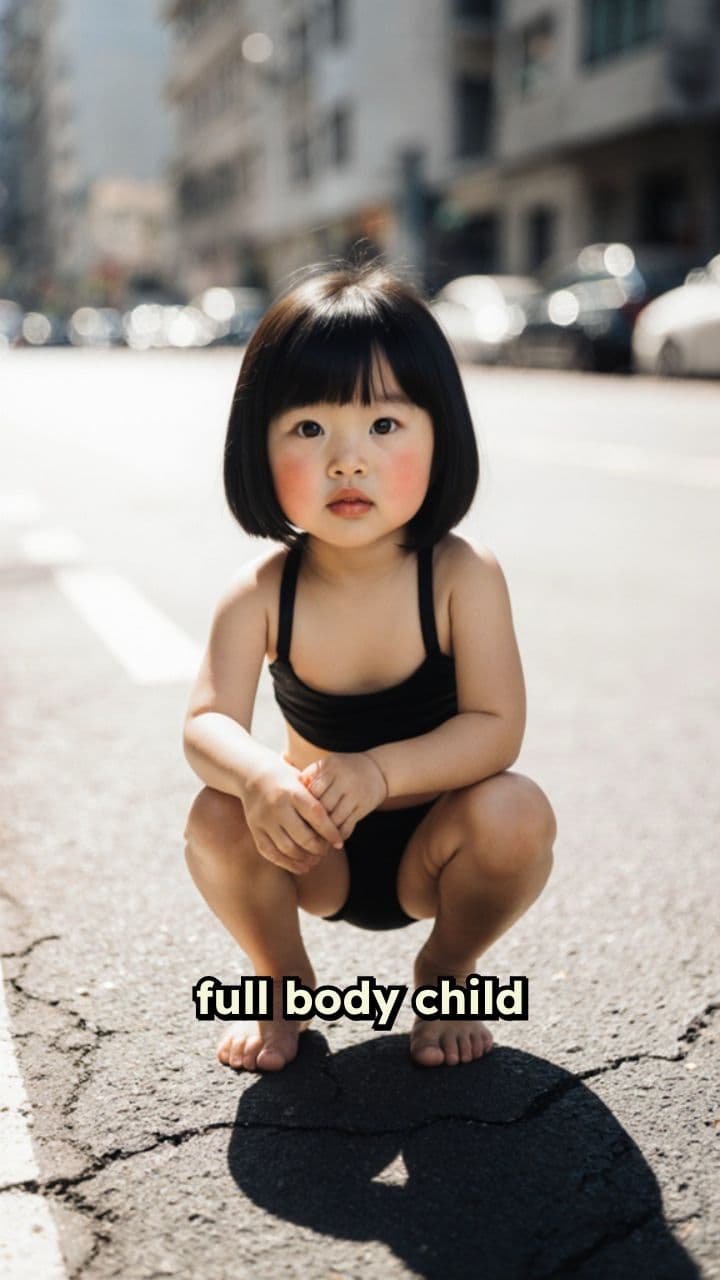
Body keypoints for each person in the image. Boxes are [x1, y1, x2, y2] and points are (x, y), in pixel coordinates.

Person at [183, 259, 557, 1072]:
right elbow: (206, 724)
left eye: (384, 427)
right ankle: (281, 985)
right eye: (309, 429)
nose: (346, 461)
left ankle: (446, 974)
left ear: (440, 434)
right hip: (315, 849)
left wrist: (382, 773)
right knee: (216, 813)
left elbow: (497, 730)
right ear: (259, 446)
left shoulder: (461, 573)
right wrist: (258, 778)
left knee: (517, 812)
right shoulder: (260, 594)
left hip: (440, 839)